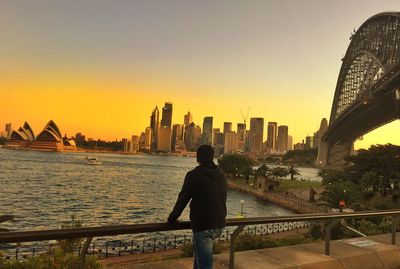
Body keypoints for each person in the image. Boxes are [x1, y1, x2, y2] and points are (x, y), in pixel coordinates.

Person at [167, 144, 227, 269]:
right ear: (212, 156)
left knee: (204, 265)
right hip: (220, 224)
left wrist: (172, 218)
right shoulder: (221, 174)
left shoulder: (194, 175)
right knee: (199, 260)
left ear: (198, 157)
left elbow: (183, 199)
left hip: (203, 226)